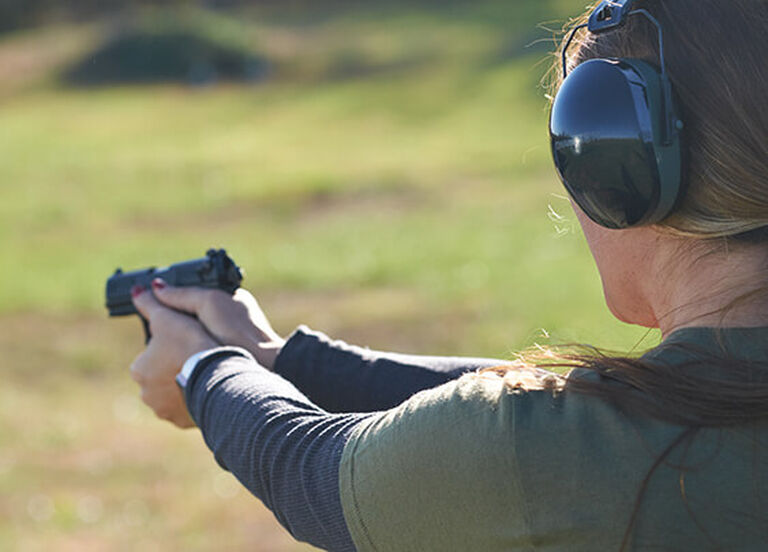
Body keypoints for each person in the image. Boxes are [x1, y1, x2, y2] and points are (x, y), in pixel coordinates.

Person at [126, 1, 768, 550]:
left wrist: (203, 372)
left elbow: (316, 475)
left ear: (622, 174)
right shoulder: (686, 411)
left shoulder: (577, 455)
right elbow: (555, 409)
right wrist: (281, 359)